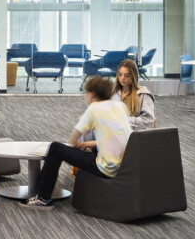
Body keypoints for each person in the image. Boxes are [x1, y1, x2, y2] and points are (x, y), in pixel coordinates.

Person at [22, 75, 131, 209]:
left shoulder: (94, 108)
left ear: (91, 94)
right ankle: (40, 192)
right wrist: (88, 144)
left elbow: (74, 138)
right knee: (81, 147)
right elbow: (115, 137)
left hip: (106, 168)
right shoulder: (119, 105)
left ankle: (43, 198)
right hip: (125, 166)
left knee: (55, 148)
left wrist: (67, 149)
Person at [110, 59, 157, 131]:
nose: (122, 78)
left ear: (133, 76)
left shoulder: (143, 95)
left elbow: (148, 122)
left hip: (135, 137)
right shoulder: (114, 93)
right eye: (120, 74)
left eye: (127, 75)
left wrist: (125, 121)